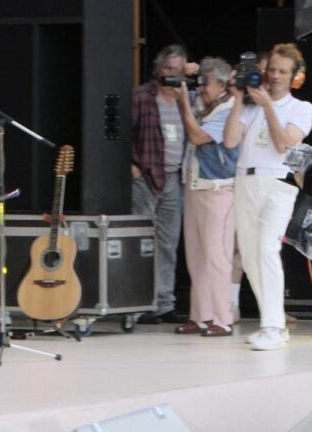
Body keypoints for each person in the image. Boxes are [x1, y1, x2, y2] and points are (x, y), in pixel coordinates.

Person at [223, 43, 312, 350]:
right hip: (244, 180)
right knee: (249, 258)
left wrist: (267, 108)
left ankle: (274, 326)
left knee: (266, 248)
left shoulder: (301, 108)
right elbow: (229, 140)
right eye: (272, 69)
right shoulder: (251, 105)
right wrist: (237, 100)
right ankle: (271, 320)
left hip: (278, 182)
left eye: (282, 72)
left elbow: (284, 145)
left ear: (294, 77)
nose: (275, 76)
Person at [171, 57, 238, 336]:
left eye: (206, 84)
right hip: (195, 185)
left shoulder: (229, 108)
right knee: (196, 257)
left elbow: (197, 136)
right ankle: (200, 316)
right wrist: (190, 74)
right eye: (200, 84)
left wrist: (184, 102)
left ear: (222, 85)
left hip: (218, 188)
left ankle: (223, 318)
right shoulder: (204, 103)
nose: (201, 89)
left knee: (217, 256)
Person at [132, 44, 195, 324]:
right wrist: (129, 166)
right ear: (158, 69)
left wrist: (196, 72)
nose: (172, 75)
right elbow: (117, 133)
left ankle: (164, 302)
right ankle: (141, 303)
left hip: (174, 178)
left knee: (168, 243)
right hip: (144, 176)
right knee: (143, 242)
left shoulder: (187, 98)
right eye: (168, 69)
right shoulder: (141, 96)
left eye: (178, 70)